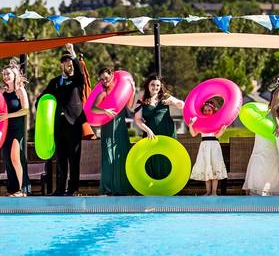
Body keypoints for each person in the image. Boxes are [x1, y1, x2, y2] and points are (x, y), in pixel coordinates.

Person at [41, 43, 85, 196]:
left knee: (74, 159)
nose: (70, 67)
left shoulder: (77, 81)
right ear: (62, 66)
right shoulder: (54, 82)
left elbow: (80, 73)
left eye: (72, 64)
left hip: (74, 124)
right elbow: (43, 98)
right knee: (61, 160)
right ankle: (60, 189)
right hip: (58, 126)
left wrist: (73, 53)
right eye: (67, 64)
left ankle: (73, 189)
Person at [243, 74, 279, 196]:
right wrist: (277, 125)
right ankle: (258, 188)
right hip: (271, 122)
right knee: (264, 155)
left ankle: (272, 189)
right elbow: (273, 108)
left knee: (275, 157)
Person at [90, 67, 134, 196]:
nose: (105, 81)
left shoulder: (120, 91)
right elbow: (93, 108)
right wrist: (105, 111)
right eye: (102, 79)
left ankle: (123, 187)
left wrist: (133, 89)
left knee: (121, 154)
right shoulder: (103, 93)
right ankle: (108, 188)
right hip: (108, 126)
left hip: (120, 126)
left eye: (106, 78)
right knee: (109, 156)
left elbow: (129, 107)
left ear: (112, 76)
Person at [132, 75, 185, 180]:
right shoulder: (141, 100)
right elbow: (137, 120)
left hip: (167, 132)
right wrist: (148, 131)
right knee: (152, 158)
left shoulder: (165, 96)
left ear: (160, 86)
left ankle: (168, 184)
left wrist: (173, 102)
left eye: (157, 85)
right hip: (151, 134)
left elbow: (182, 105)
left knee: (167, 157)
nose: (155, 87)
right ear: (148, 85)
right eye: (152, 84)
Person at [0, 61, 30, 197]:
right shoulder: (2, 92)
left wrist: (7, 116)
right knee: (8, 160)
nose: (5, 76)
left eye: (8, 73)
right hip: (4, 130)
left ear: (15, 75)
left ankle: (23, 189)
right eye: (3, 74)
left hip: (17, 128)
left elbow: (25, 110)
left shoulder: (20, 91)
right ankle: (13, 189)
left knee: (15, 158)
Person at [189, 99, 228, 196]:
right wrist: (190, 125)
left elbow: (217, 136)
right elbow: (193, 134)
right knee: (207, 167)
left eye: (209, 110)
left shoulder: (215, 122)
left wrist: (222, 130)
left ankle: (214, 192)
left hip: (214, 146)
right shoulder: (200, 122)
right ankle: (208, 191)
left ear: (213, 111)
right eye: (205, 110)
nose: (207, 112)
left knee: (214, 167)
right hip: (204, 146)